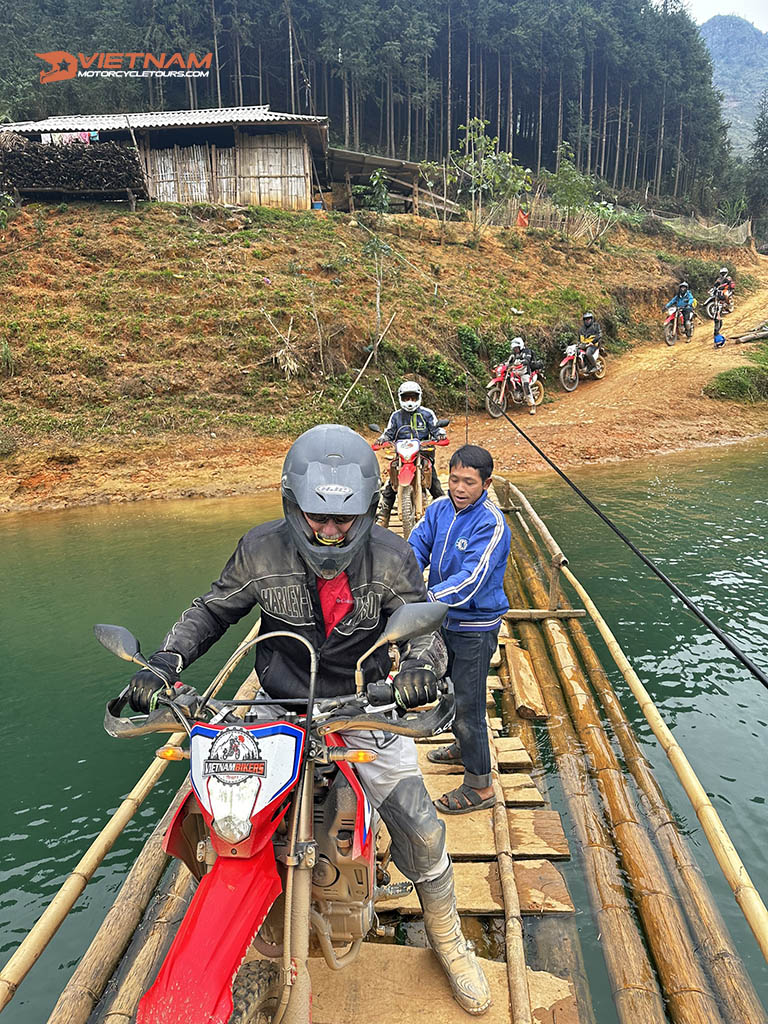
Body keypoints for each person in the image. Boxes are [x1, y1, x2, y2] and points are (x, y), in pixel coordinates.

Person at [125, 424, 491, 1016]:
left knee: (419, 823)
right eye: (316, 516)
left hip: (363, 706)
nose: (329, 530)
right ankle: (241, 913)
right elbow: (213, 610)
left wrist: (420, 671)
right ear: (291, 505)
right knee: (215, 811)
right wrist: (165, 662)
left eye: (344, 519)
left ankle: (449, 940)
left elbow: (423, 632)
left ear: (369, 510)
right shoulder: (259, 549)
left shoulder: (393, 558)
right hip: (275, 707)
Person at [408, 445, 511, 816]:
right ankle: (461, 747)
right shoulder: (437, 510)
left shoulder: (492, 524)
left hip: (474, 626)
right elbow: (414, 549)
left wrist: (425, 600)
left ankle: (480, 785)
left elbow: (471, 580)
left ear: (486, 484)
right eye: (454, 479)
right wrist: (397, 580)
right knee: (448, 689)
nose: (459, 488)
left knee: (469, 704)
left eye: (469, 481)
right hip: (444, 621)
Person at [376, 380, 447, 527]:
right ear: (400, 398)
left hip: (423, 453)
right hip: (402, 456)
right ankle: (384, 514)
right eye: (406, 398)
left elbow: (436, 429)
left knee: (435, 485)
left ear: (419, 397)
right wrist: (382, 439)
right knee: (391, 485)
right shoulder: (396, 416)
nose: (410, 401)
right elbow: (389, 432)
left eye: (413, 397)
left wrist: (440, 434)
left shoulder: (427, 414)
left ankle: (447, 513)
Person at [508, 337, 544, 415]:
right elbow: (508, 362)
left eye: (516, 348)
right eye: (514, 348)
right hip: (516, 372)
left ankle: (532, 405)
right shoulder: (513, 354)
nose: (515, 349)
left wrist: (522, 362)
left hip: (525, 372)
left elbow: (527, 360)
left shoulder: (527, 351)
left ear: (520, 346)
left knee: (525, 386)